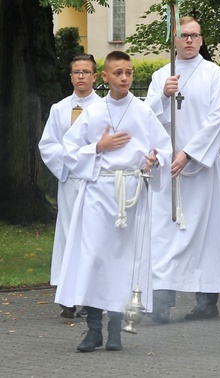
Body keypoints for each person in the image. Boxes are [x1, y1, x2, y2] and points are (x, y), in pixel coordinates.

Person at [55, 51, 172, 352]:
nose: (124, 78)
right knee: (95, 258)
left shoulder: (143, 111)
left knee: (123, 262)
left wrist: (153, 160)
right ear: (105, 77)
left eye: (129, 73)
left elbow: (164, 149)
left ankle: (116, 329)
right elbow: (69, 150)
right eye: (118, 73)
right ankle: (93, 329)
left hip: (130, 194)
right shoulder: (92, 113)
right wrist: (99, 146)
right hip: (99, 191)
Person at [145, 16, 220, 322]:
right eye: (183, 36)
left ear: (202, 39)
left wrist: (190, 153)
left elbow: (219, 118)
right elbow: (147, 119)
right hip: (169, 170)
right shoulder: (160, 76)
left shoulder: (214, 74)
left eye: (195, 35)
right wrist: (163, 97)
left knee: (207, 235)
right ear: (174, 40)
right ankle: (162, 300)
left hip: (202, 170)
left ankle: (206, 301)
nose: (190, 41)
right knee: (165, 233)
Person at [39, 53, 103, 319]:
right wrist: (68, 162)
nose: (81, 77)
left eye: (86, 72)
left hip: (95, 182)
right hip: (70, 181)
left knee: (91, 237)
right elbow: (48, 144)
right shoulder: (59, 108)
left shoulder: (104, 107)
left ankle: (92, 297)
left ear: (95, 76)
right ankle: (67, 296)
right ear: (70, 76)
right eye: (76, 72)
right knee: (68, 236)